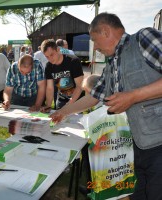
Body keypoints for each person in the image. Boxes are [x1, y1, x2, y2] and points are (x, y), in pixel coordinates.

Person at [50, 12, 162, 200]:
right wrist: (63, 112)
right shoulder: (111, 65)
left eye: (95, 40)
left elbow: (131, 97)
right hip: (132, 147)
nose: (96, 48)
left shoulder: (144, 38)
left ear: (106, 31)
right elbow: (94, 97)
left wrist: (133, 96)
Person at [40, 39, 84, 111]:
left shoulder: (73, 61)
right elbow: (50, 88)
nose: (50, 59)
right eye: (47, 56)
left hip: (77, 99)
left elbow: (79, 86)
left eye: (51, 54)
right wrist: (48, 105)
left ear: (58, 49)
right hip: (61, 99)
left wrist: (70, 103)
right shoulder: (49, 66)